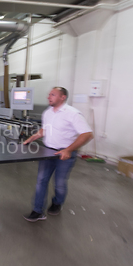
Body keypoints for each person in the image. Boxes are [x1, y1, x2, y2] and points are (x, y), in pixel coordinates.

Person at [22, 87, 93, 222]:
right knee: (41, 181)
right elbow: (44, 130)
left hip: (65, 154)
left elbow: (87, 134)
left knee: (59, 183)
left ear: (62, 97)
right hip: (47, 152)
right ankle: (38, 211)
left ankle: (57, 202)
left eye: (53, 95)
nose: (49, 97)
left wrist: (68, 150)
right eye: (49, 95)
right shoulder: (47, 113)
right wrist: (31, 138)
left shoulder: (73, 114)